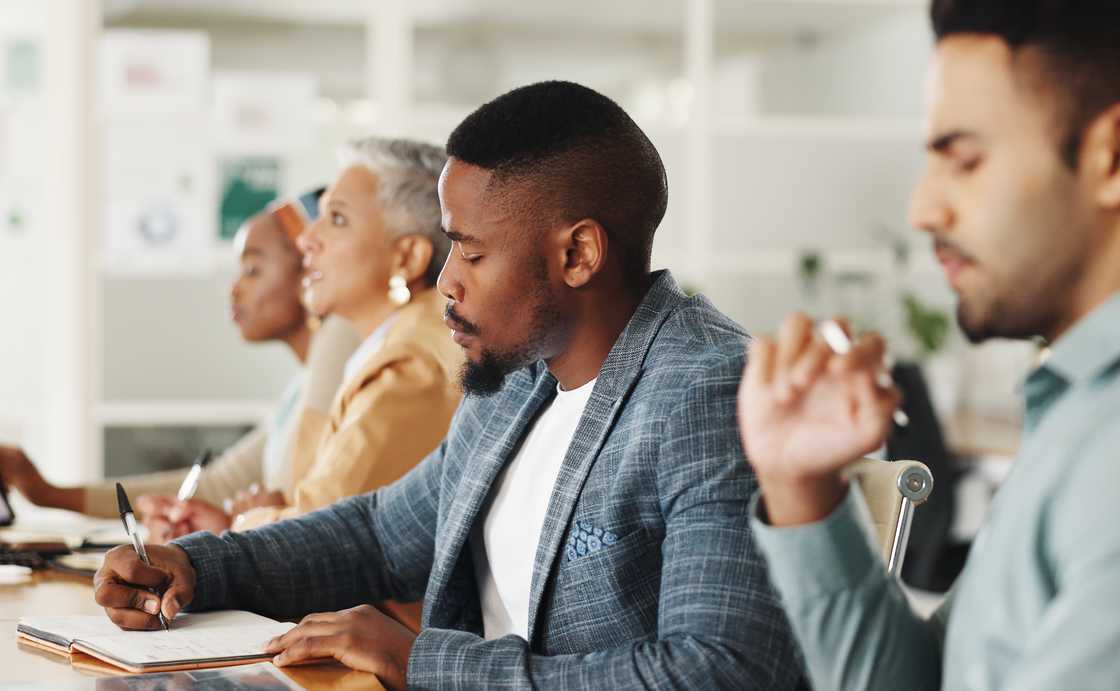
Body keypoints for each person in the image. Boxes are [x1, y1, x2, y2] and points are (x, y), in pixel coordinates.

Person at [92, 81, 803, 690]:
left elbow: (720, 670)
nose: (446, 280)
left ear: (578, 253)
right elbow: (379, 533)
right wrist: (195, 566)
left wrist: (427, 662)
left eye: (472, 250)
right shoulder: (521, 375)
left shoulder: (709, 392)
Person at [736, 2, 1120, 689]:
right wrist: (803, 489)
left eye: (965, 161)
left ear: (1111, 158)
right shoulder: (1075, 410)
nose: (922, 209)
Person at [154, 138, 463, 539]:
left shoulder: (410, 363)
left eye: (336, 219)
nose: (306, 241)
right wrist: (236, 527)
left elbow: (312, 533)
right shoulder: (384, 348)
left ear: (407, 257)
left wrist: (243, 526)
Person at [0, 190, 360, 530]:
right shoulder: (301, 389)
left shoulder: (341, 338)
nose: (233, 289)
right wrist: (49, 493)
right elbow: (218, 485)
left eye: (252, 270)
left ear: (310, 270)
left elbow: (291, 504)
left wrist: (257, 521)